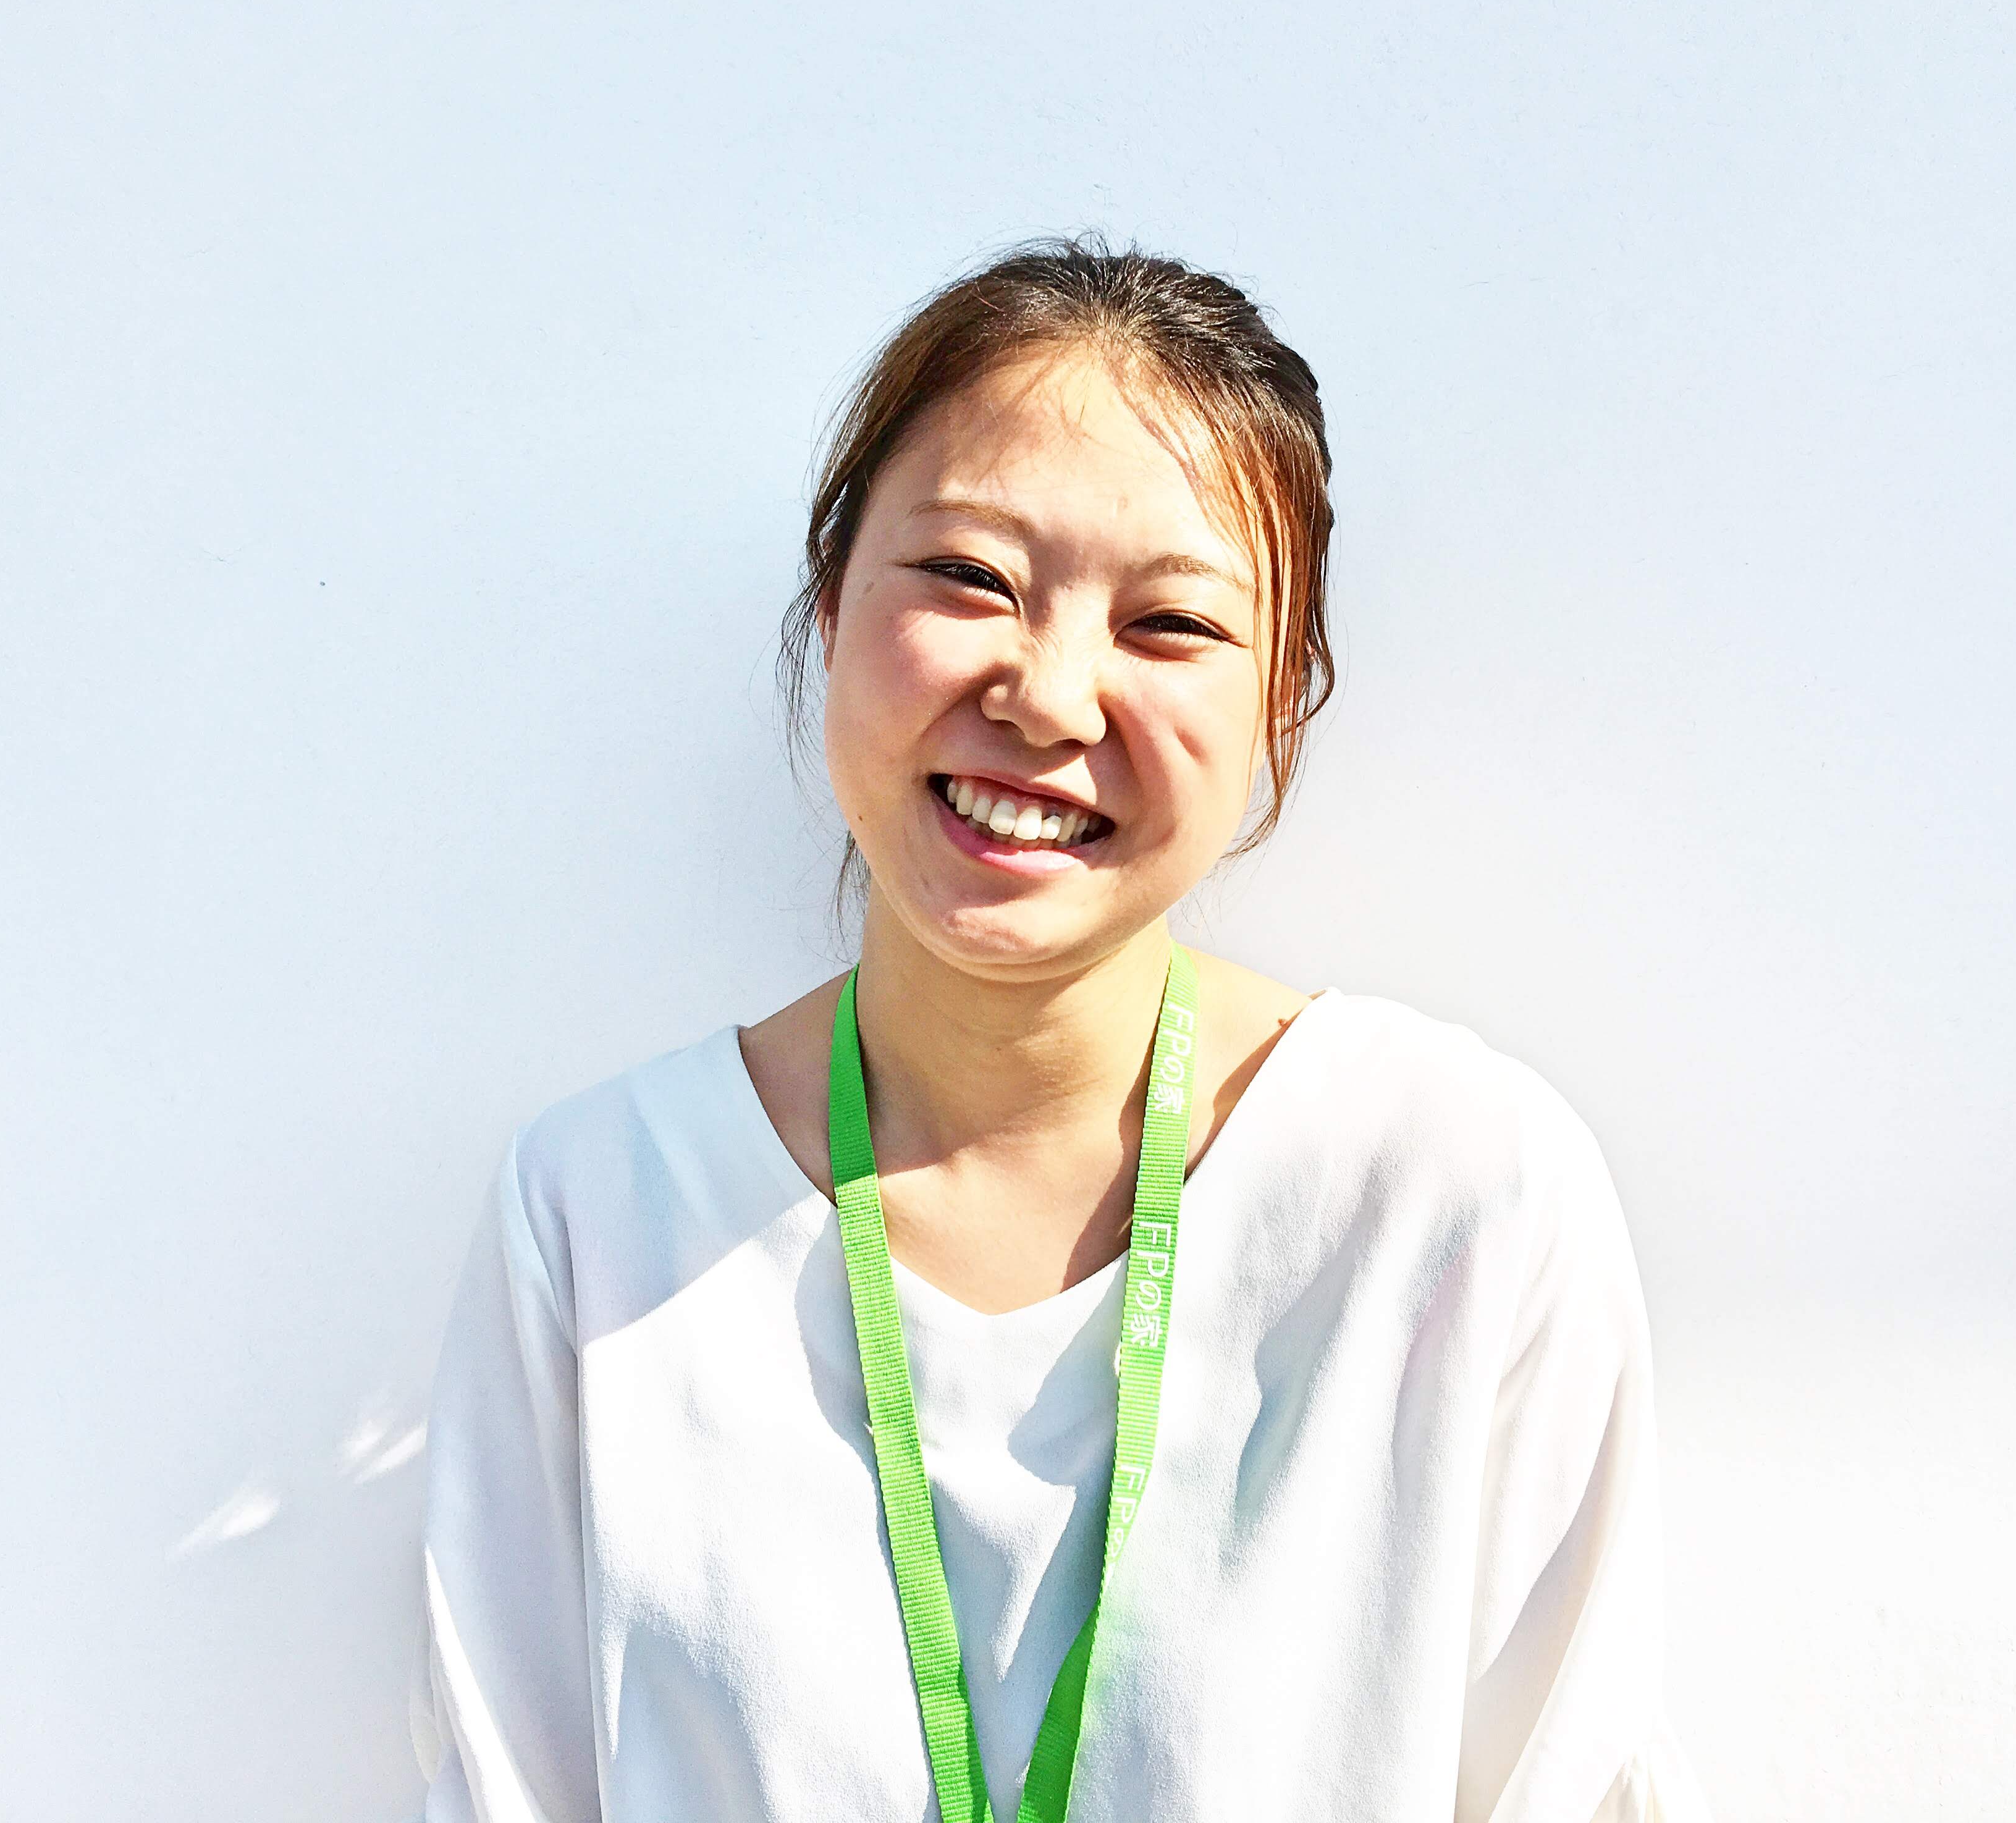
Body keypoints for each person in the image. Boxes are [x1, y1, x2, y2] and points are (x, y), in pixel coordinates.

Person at [415, 235, 1711, 1821]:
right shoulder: (601, 1215)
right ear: (832, 603)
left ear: (1279, 707)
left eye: (1172, 624)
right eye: (971, 578)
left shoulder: (1452, 1196)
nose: (1046, 695)